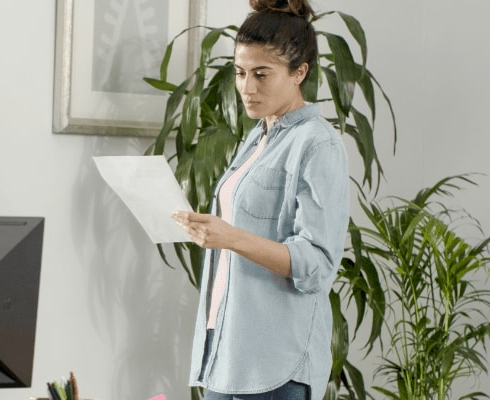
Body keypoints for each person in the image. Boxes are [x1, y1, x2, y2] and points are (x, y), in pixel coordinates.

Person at [171, 0, 349, 398]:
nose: (247, 87)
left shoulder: (318, 144)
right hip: (227, 348)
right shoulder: (258, 137)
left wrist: (231, 237)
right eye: (240, 72)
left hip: (277, 362)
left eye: (262, 74)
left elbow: (317, 264)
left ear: (299, 72)